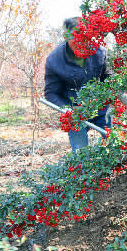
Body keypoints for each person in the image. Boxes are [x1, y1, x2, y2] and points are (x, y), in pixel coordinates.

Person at [44, 17, 112, 151]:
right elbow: (51, 93)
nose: (81, 44)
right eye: (76, 39)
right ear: (67, 36)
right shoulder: (54, 60)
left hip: (101, 106)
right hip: (76, 112)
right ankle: (83, 170)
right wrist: (67, 109)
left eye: (85, 39)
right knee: (80, 152)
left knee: (116, 142)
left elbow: (108, 77)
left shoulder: (100, 52)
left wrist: (113, 94)